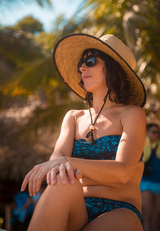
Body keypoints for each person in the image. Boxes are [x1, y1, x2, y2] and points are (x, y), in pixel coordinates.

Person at [21, 33, 146, 231]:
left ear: (113, 68)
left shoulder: (132, 114)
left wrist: (69, 162)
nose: (82, 67)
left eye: (90, 60)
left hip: (119, 209)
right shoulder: (73, 117)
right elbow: (55, 167)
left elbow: (122, 173)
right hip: (75, 208)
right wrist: (63, 164)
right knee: (61, 183)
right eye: (81, 62)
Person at [141, 123, 160, 231]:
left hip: (159, 184)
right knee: (147, 215)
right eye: (154, 132)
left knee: (156, 217)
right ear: (147, 133)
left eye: (158, 132)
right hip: (146, 183)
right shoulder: (142, 145)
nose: (157, 134)